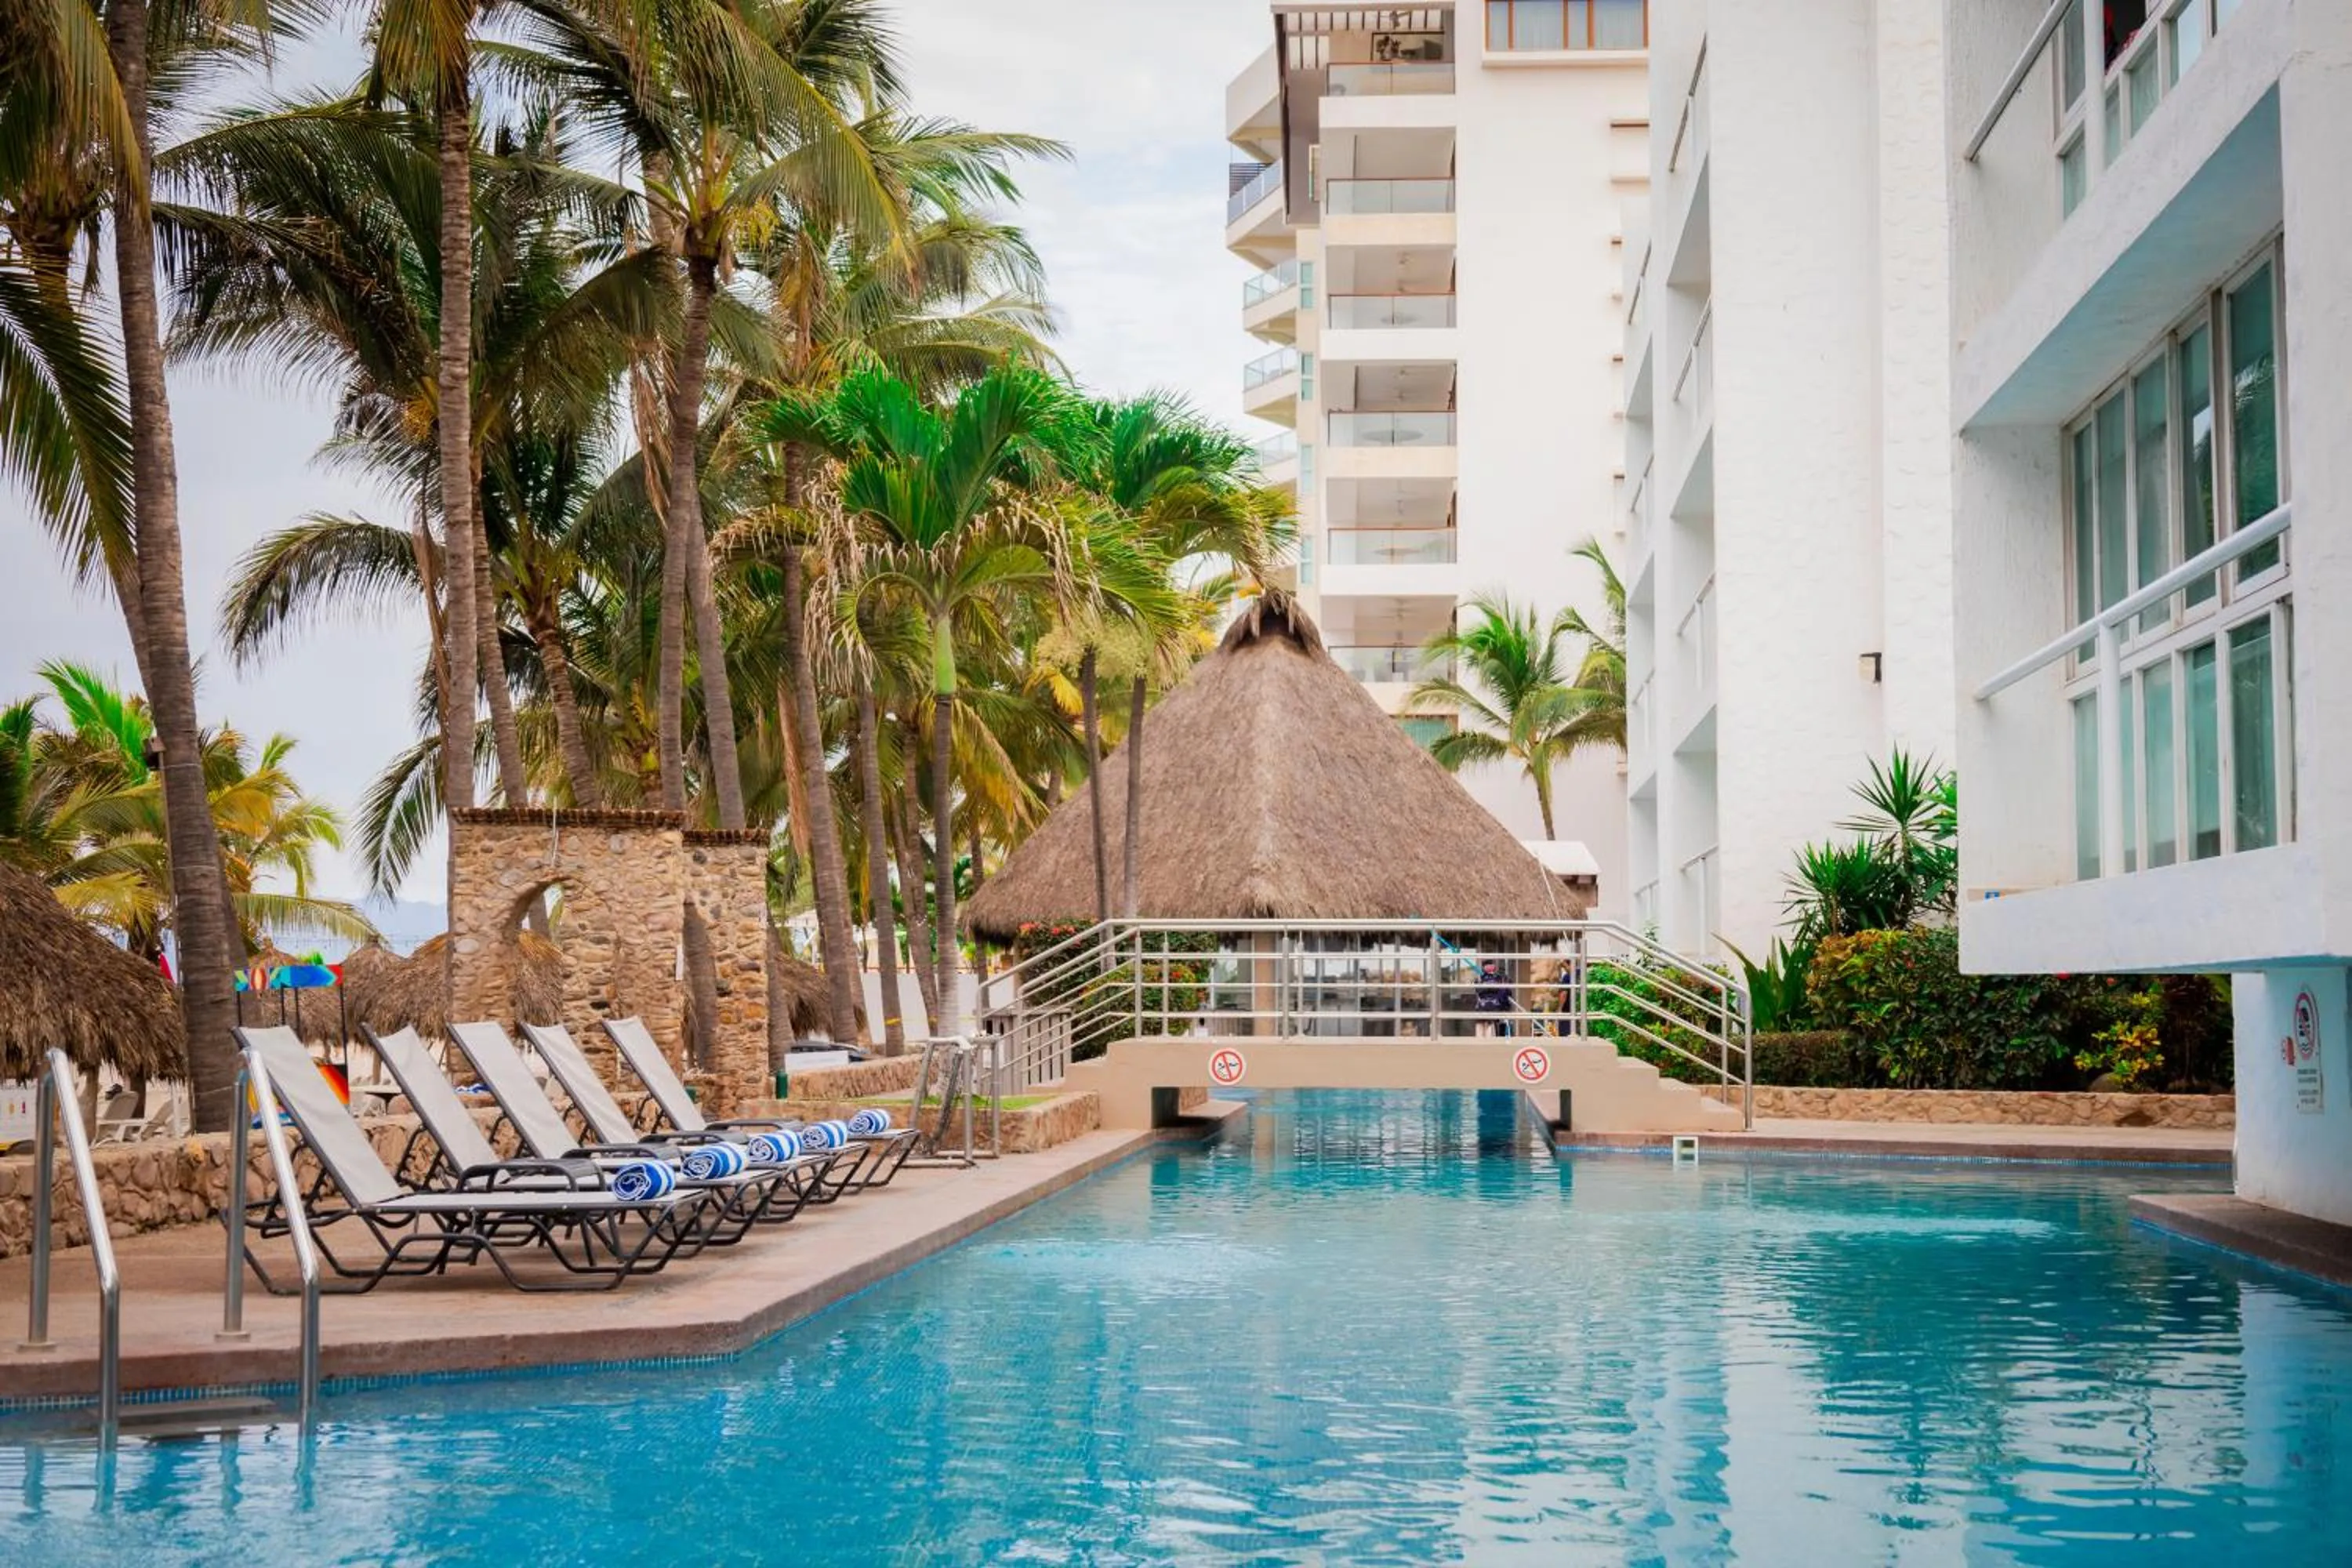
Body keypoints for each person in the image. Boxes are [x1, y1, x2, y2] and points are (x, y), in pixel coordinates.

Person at [1473, 960, 1513, 1037]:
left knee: (1489, 1029)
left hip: (1491, 1008)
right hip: (1484, 1008)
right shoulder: (1480, 979)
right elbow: (1479, 990)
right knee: (1482, 1028)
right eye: (1487, 965)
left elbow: (1506, 990)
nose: (1489, 967)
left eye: (1491, 964)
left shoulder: (1500, 978)